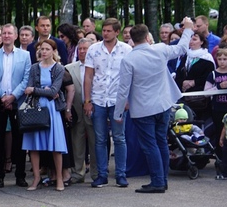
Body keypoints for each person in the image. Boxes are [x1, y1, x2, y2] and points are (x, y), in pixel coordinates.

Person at [114, 20, 193, 193]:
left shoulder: (129, 59)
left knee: (150, 145)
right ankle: (162, 179)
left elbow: (123, 89)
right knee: (161, 142)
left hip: (143, 108)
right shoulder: (160, 49)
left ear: (132, 40)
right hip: (163, 104)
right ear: (147, 36)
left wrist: (118, 113)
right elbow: (181, 49)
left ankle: (158, 181)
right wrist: (187, 30)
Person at [84, 17, 132, 188]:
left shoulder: (126, 50)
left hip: (118, 99)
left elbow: (130, 76)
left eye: (109, 31)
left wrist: (128, 99)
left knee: (119, 137)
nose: (105, 33)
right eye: (103, 30)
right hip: (98, 98)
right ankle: (101, 175)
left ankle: (121, 174)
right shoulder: (94, 49)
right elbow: (88, 76)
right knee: (100, 138)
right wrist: (87, 100)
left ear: (117, 32)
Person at [0, 23, 32, 187]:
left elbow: (26, 79)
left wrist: (12, 96)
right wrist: (3, 96)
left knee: (19, 140)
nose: (6, 36)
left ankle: (20, 175)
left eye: (9, 33)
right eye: (3, 33)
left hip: (18, 102)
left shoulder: (25, 55)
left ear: (15, 36)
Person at [22, 40, 68, 191]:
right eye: (42, 49)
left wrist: (36, 90)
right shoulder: (35, 67)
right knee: (34, 145)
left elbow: (54, 91)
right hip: (36, 107)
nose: (44, 52)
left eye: (47, 49)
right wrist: (42, 90)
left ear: (54, 51)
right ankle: (36, 178)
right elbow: (28, 88)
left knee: (56, 145)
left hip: (52, 109)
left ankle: (60, 178)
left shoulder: (59, 68)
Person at [65, 38, 97, 183]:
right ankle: (78, 173)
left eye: (86, 48)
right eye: (81, 49)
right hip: (76, 110)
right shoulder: (69, 67)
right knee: (76, 142)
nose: (83, 51)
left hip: (94, 110)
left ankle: (97, 173)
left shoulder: (99, 66)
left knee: (96, 143)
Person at [175, 31, 216, 121]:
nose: (191, 41)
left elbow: (209, 76)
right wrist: (182, 83)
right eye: (190, 39)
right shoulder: (185, 56)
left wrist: (194, 82)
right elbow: (179, 73)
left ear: (201, 42)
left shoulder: (207, 57)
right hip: (183, 96)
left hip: (199, 99)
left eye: (194, 39)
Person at [205, 48, 227, 148]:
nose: (222, 61)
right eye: (220, 59)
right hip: (218, 109)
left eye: (225, 59)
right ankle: (220, 158)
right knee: (220, 132)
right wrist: (219, 86)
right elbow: (206, 93)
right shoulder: (213, 74)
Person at [217, 99, 227, 180]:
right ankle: (226, 173)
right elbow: (224, 128)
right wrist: (221, 139)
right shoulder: (226, 116)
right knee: (226, 157)